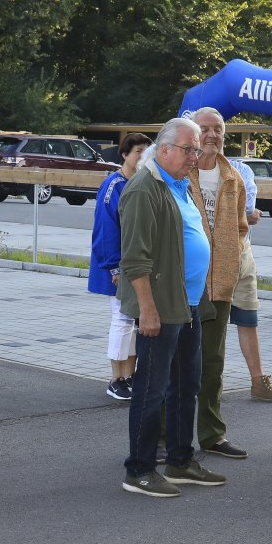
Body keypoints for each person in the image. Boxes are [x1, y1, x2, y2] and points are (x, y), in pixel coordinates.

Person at [117, 118, 224, 498]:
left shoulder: (179, 185)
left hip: (188, 305)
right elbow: (134, 259)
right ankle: (139, 469)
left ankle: (180, 460)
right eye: (189, 149)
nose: (195, 156)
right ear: (163, 149)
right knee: (152, 390)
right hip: (160, 308)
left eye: (197, 149)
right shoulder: (144, 188)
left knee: (185, 386)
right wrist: (147, 310)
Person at [188, 108, 249, 461]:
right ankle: (163, 436)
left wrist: (231, 262)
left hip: (220, 286)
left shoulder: (232, 177)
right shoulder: (179, 171)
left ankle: (212, 434)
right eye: (204, 129)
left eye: (218, 129)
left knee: (212, 365)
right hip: (182, 286)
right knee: (175, 363)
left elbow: (241, 227)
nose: (211, 135)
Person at [88, 132, 151, 401]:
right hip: (115, 266)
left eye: (146, 151)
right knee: (122, 320)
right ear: (125, 154)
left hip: (136, 265)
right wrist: (113, 268)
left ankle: (131, 374)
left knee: (135, 321)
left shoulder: (145, 181)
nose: (142, 156)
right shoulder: (113, 185)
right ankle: (117, 378)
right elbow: (106, 230)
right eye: (138, 151)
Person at [228, 156, 272, 404]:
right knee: (209, 324)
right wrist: (243, 214)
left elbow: (250, 212)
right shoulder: (192, 168)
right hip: (208, 259)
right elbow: (248, 215)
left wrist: (242, 215)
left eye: (219, 135)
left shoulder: (241, 170)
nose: (212, 138)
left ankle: (258, 382)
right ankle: (205, 383)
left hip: (241, 253)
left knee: (248, 317)